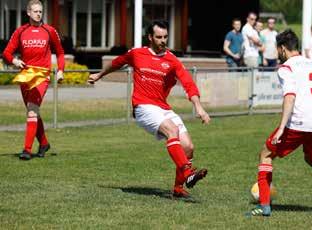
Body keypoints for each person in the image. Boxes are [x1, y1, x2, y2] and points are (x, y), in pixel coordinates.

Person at [88, 20, 210, 198]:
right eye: (159, 37)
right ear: (150, 37)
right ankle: (187, 173)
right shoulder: (137, 54)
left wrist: (199, 107)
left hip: (163, 107)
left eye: (165, 37)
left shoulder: (172, 60)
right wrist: (99, 75)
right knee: (172, 130)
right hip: (142, 106)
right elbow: (117, 63)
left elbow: (188, 83)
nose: (163, 40)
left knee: (189, 146)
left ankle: (178, 189)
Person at [250, 29, 312, 216]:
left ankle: (264, 206)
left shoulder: (286, 68)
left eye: (278, 50)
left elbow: (290, 97)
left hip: (299, 122)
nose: (278, 54)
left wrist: (281, 128)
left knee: (266, 154)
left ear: (283, 49)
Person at [2, 0, 64, 160]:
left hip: (42, 75)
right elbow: (7, 53)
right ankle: (44, 143)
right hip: (25, 76)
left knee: (31, 109)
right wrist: (15, 61)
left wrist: (60, 70)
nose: (38, 14)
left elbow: (60, 52)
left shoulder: (49, 30)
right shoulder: (20, 31)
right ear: (28, 13)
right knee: (33, 112)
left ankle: (26, 150)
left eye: (40, 11)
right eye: (35, 11)